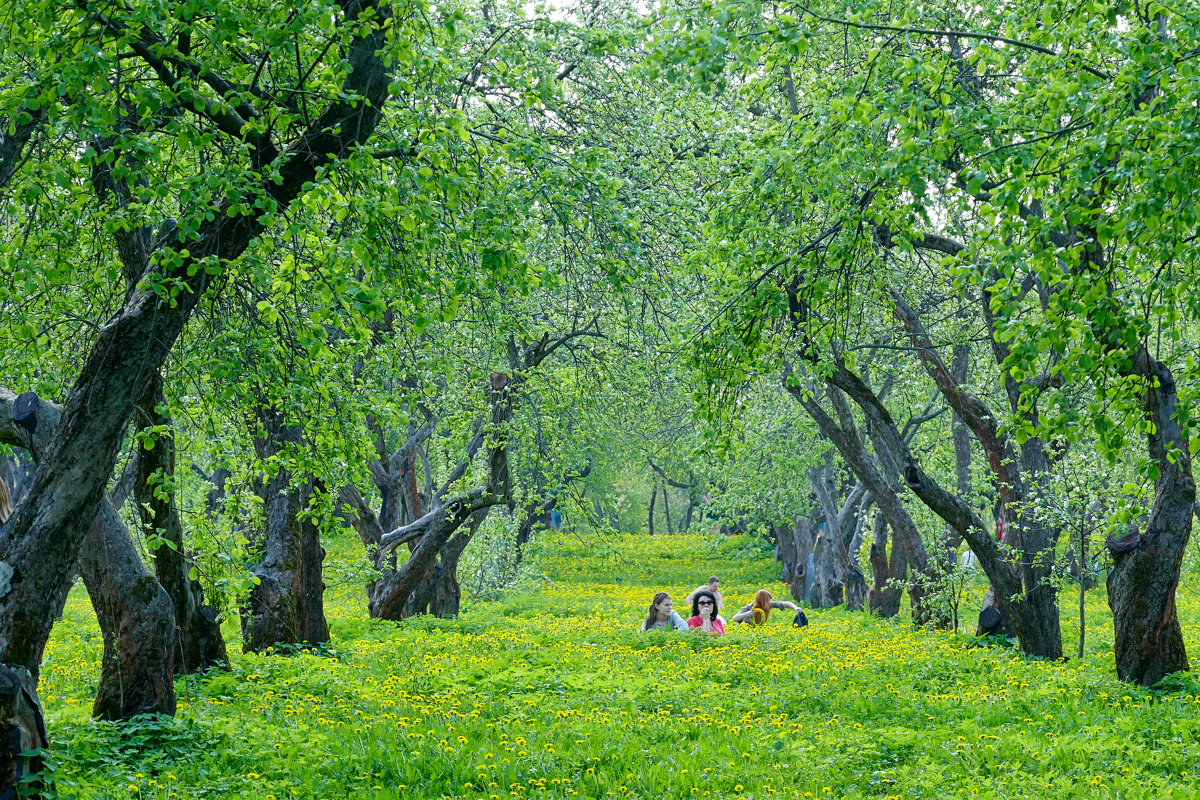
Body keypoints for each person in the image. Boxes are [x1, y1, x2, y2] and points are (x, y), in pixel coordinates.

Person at [731, 589, 798, 626]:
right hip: (747, 630)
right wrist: (747, 614)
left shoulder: (768, 605)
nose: (770, 601)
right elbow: (735, 618)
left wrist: (796, 608)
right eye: (768, 599)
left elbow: (786, 603)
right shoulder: (749, 607)